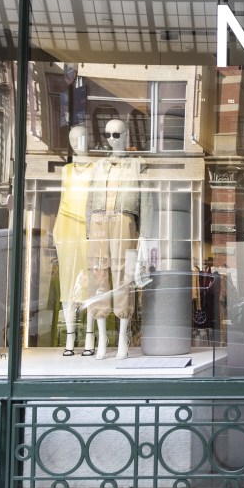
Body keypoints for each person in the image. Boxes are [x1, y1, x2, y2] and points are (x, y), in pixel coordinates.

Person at [86, 119, 142, 360]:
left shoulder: (137, 165)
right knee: (97, 271)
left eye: (116, 134)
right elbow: (89, 198)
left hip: (124, 219)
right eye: (107, 134)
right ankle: (102, 336)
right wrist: (89, 228)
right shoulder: (98, 166)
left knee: (123, 274)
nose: (111, 139)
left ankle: (122, 335)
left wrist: (145, 230)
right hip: (99, 218)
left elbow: (145, 199)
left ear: (126, 135)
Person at [54, 125, 96, 356]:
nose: (77, 142)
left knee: (89, 281)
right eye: (72, 139)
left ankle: (89, 336)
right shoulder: (66, 171)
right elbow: (62, 200)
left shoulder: (96, 168)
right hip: (68, 226)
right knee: (68, 282)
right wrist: (57, 230)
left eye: (81, 137)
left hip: (88, 228)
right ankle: (70, 339)